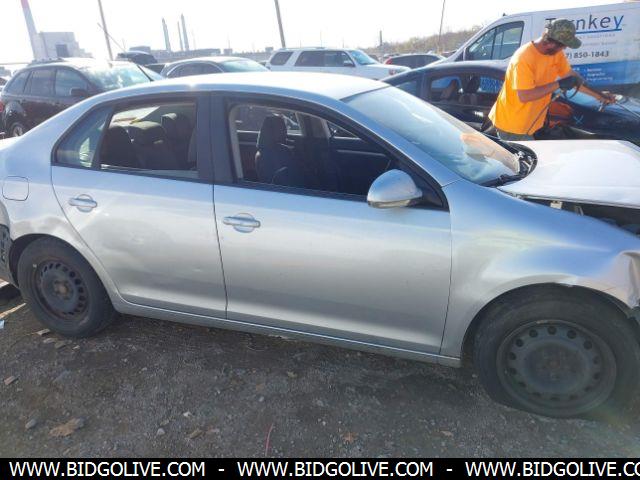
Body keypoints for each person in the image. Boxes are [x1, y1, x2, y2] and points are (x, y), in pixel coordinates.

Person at [489, 19, 616, 141]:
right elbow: (525, 95)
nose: (564, 49)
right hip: (512, 126)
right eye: (564, 46)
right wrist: (558, 84)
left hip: (531, 123)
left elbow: (572, 77)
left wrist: (600, 96)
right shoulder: (523, 59)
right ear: (551, 43)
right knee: (530, 156)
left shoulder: (555, 53)